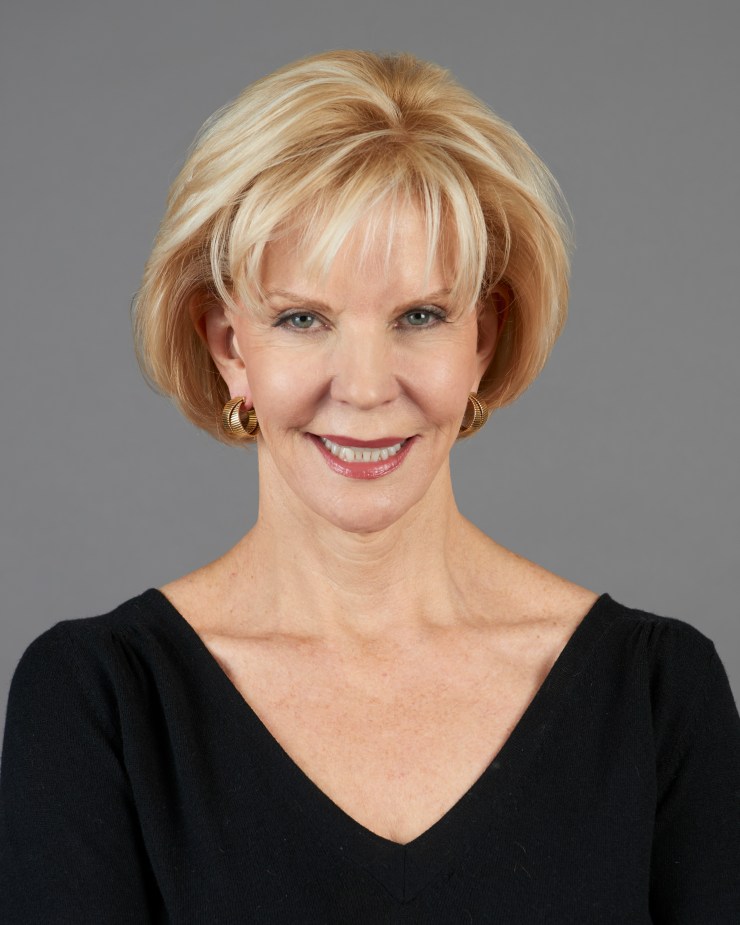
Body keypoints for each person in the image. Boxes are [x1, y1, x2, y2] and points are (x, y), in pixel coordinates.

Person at [1, 49, 739, 924]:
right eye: (302, 318)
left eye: (419, 316)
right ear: (228, 346)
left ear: (484, 339)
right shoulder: (100, 703)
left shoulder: (655, 694)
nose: (363, 385)